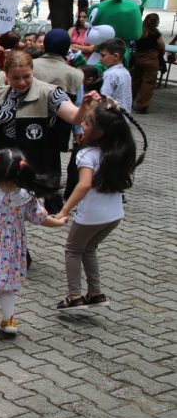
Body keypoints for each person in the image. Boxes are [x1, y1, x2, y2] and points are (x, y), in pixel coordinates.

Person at [0, 51, 96, 214]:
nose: (21, 82)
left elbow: (74, 117)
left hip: (34, 172)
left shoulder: (51, 92)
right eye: (15, 78)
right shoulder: (2, 92)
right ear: (6, 75)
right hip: (4, 171)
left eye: (26, 76)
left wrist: (84, 107)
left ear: (32, 70)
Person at [0, 148, 68, 336]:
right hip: (13, 248)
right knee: (7, 285)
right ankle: (9, 320)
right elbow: (41, 218)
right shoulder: (27, 197)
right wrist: (58, 222)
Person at [53, 99, 145, 310]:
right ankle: (95, 293)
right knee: (90, 248)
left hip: (91, 216)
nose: (82, 125)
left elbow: (84, 185)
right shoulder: (119, 153)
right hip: (114, 215)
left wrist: (64, 210)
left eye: (86, 122)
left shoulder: (87, 155)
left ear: (99, 133)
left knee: (73, 250)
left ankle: (74, 296)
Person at [130, 14, 163, 113]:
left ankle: (129, 100)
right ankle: (142, 105)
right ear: (156, 22)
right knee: (148, 82)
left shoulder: (139, 31)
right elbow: (162, 46)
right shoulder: (156, 33)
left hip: (138, 58)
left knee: (135, 80)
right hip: (151, 59)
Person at [98, 39, 133, 112]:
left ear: (116, 56)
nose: (100, 59)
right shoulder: (126, 72)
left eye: (103, 55)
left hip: (111, 116)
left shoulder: (109, 74)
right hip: (124, 115)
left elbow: (104, 97)